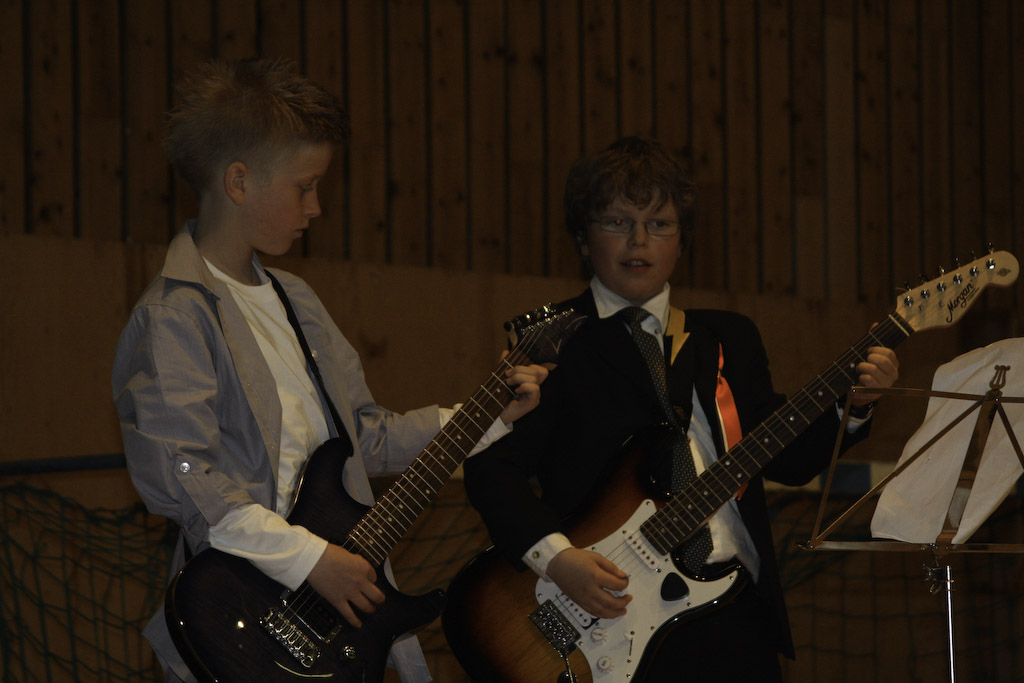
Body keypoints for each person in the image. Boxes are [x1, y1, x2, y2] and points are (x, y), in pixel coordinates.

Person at [111, 57, 547, 683]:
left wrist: (486, 417)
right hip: (242, 621)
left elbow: (364, 437)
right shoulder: (174, 315)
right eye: (305, 186)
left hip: (330, 603)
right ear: (239, 181)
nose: (316, 206)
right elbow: (183, 476)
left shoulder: (298, 301)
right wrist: (309, 559)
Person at [462, 136, 899, 681]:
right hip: (607, 613)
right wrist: (556, 558)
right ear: (582, 237)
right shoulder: (549, 341)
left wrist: (853, 407)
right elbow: (490, 470)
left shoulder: (729, 337)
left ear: (683, 240)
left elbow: (787, 458)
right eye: (617, 222)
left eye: (660, 224)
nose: (639, 239)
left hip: (734, 610)